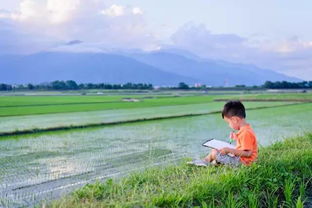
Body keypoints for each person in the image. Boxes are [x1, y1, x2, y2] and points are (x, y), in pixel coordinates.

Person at [203, 100, 258, 166]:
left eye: (229, 122)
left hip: (244, 163)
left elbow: (248, 153)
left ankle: (205, 162)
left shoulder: (245, 133)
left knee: (215, 152)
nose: (229, 125)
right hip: (241, 160)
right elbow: (244, 143)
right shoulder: (245, 130)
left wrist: (229, 150)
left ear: (235, 120)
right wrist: (236, 137)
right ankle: (206, 161)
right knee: (215, 150)